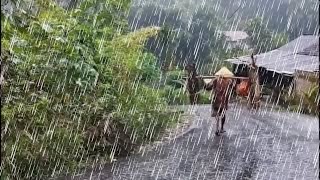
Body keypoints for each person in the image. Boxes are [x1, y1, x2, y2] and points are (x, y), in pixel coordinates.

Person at [205, 67, 235, 136]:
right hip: (224, 101)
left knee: (217, 115)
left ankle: (217, 129)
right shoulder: (228, 81)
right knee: (223, 115)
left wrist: (206, 85)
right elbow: (233, 88)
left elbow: (208, 88)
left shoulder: (215, 80)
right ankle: (221, 128)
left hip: (216, 100)